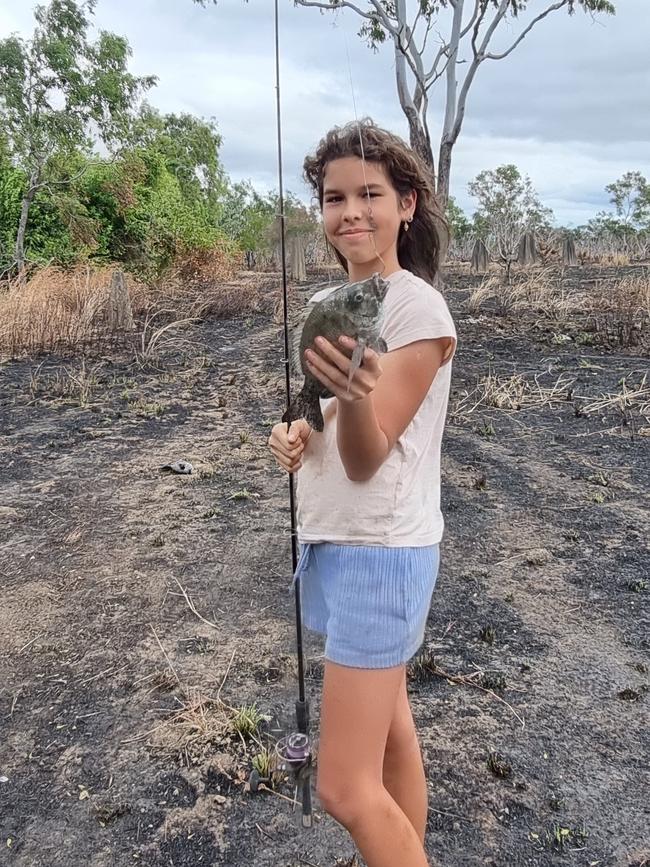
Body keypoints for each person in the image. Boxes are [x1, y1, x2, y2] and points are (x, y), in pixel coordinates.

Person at [268, 118, 457, 867]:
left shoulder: (417, 310)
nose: (351, 212)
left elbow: (369, 455)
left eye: (370, 194)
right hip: (341, 544)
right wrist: (289, 435)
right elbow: (310, 414)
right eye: (334, 196)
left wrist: (351, 397)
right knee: (392, 730)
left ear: (406, 204)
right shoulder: (332, 303)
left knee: (344, 787)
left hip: (382, 550)